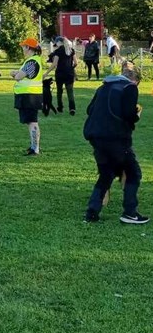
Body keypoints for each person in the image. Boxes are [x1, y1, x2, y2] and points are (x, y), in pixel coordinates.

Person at [83, 62, 147, 224]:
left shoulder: (103, 87)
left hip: (95, 135)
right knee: (133, 172)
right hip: (116, 137)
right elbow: (128, 114)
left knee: (106, 173)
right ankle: (130, 212)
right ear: (135, 80)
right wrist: (136, 114)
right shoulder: (129, 88)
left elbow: (90, 110)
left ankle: (92, 212)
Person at [11, 37, 44, 156]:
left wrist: (14, 73)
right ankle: (34, 147)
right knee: (31, 121)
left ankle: (35, 148)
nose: (22, 49)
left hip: (30, 96)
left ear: (28, 48)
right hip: (30, 96)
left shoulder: (32, 62)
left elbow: (19, 76)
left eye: (23, 47)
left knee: (32, 122)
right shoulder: (34, 60)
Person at [47, 36, 77, 115]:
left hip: (60, 74)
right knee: (70, 91)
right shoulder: (71, 50)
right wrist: (71, 68)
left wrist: (46, 73)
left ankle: (60, 107)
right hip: (69, 74)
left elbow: (54, 64)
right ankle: (72, 108)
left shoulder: (58, 51)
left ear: (59, 42)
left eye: (56, 43)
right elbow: (76, 62)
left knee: (59, 91)